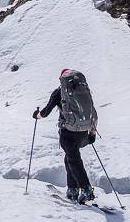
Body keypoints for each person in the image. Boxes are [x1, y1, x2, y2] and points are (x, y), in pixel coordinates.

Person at [33, 69, 99, 204]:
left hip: (68, 133)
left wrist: (37, 115)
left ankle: (85, 188)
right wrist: (92, 135)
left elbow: (46, 112)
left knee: (74, 160)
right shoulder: (83, 92)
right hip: (83, 133)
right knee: (69, 158)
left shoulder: (59, 92)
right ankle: (72, 189)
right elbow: (93, 113)